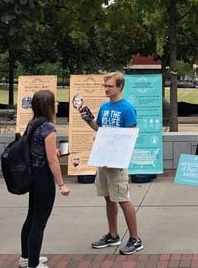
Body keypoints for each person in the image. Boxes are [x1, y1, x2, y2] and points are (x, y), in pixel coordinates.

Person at [80, 71, 143, 255]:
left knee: (123, 198)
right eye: (105, 86)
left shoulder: (127, 109)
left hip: (116, 162)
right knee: (108, 198)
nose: (106, 89)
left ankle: (135, 239)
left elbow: (129, 137)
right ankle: (113, 235)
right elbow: (100, 129)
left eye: (110, 86)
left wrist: (115, 157)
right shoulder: (104, 107)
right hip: (103, 159)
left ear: (120, 87)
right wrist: (88, 119)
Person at [19, 90, 70, 268]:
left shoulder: (33, 123)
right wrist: (61, 184)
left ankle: (26, 257)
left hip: (32, 177)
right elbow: (51, 160)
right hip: (43, 178)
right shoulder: (49, 127)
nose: (57, 105)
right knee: (39, 222)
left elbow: (36, 149)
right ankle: (33, 264)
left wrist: (51, 151)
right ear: (48, 106)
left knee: (31, 217)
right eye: (54, 102)